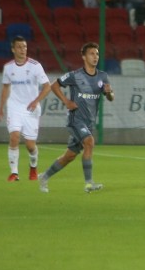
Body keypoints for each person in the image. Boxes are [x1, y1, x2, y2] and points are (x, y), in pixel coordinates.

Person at [37, 43, 113, 194]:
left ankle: (44, 177)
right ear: (84, 57)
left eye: (97, 54)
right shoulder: (74, 75)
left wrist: (109, 92)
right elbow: (54, 86)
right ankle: (89, 183)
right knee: (89, 142)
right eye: (92, 54)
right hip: (75, 119)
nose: (95, 57)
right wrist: (66, 101)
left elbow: (110, 97)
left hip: (89, 122)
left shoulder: (103, 76)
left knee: (69, 156)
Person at [0, 36, 52, 182]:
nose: (23, 50)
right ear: (13, 49)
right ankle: (14, 173)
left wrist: (36, 101)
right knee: (14, 137)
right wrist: (0, 107)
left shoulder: (35, 66)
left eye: (25, 47)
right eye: (20, 47)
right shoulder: (8, 67)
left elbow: (47, 87)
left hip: (31, 108)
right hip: (14, 107)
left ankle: (33, 167)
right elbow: (5, 87)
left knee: (30, 145)